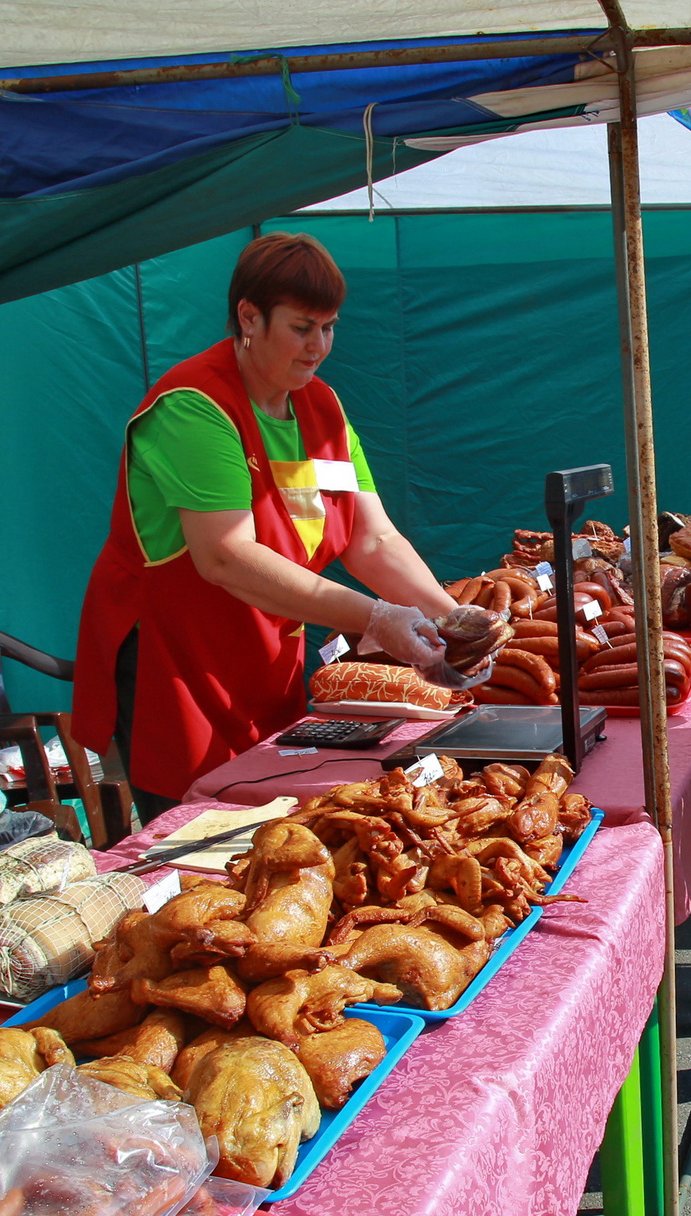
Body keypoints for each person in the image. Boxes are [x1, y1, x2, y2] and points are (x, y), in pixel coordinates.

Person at [73, 232, 479, 817]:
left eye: (330, 327)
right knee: (199, 844)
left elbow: (373, 537)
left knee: (276, 820)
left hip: (269, 659)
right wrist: (376, 616)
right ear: (248, 317)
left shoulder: (323, 407)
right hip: (182, 667)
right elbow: (226, 556)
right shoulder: (194, 405)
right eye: (301, 327)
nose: (319, 346)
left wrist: (450, 621)